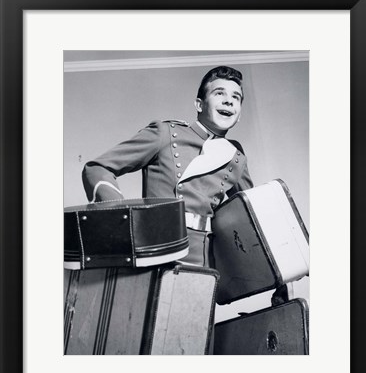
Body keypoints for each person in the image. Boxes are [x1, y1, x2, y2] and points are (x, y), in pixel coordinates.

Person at [82, 66, 253, 267]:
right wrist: (121, 221)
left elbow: (251, 216)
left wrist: (280, 279)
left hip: (203, 259)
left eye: (236, 97)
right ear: (199, 104)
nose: (228, 100)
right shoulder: (165, 133)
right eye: (219, 93)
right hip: (157, 247)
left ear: (239, 113)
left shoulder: (236, 156)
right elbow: (97, 168)